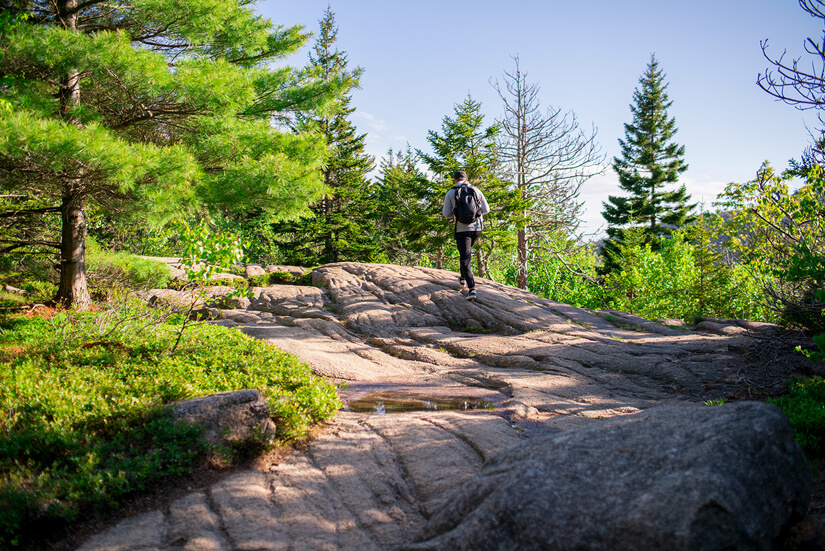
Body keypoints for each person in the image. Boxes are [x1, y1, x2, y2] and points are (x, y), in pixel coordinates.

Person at [442, 170, 490, 301]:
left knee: (465, 257)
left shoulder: (451, 192)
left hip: (462, 229)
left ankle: (472, 288)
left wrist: (458, 214)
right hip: (477, 229)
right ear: (466, 180)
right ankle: (463, 278)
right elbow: (486, 210)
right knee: (466, 254)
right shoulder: (476, 190)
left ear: (454, 180)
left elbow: (446, 213)